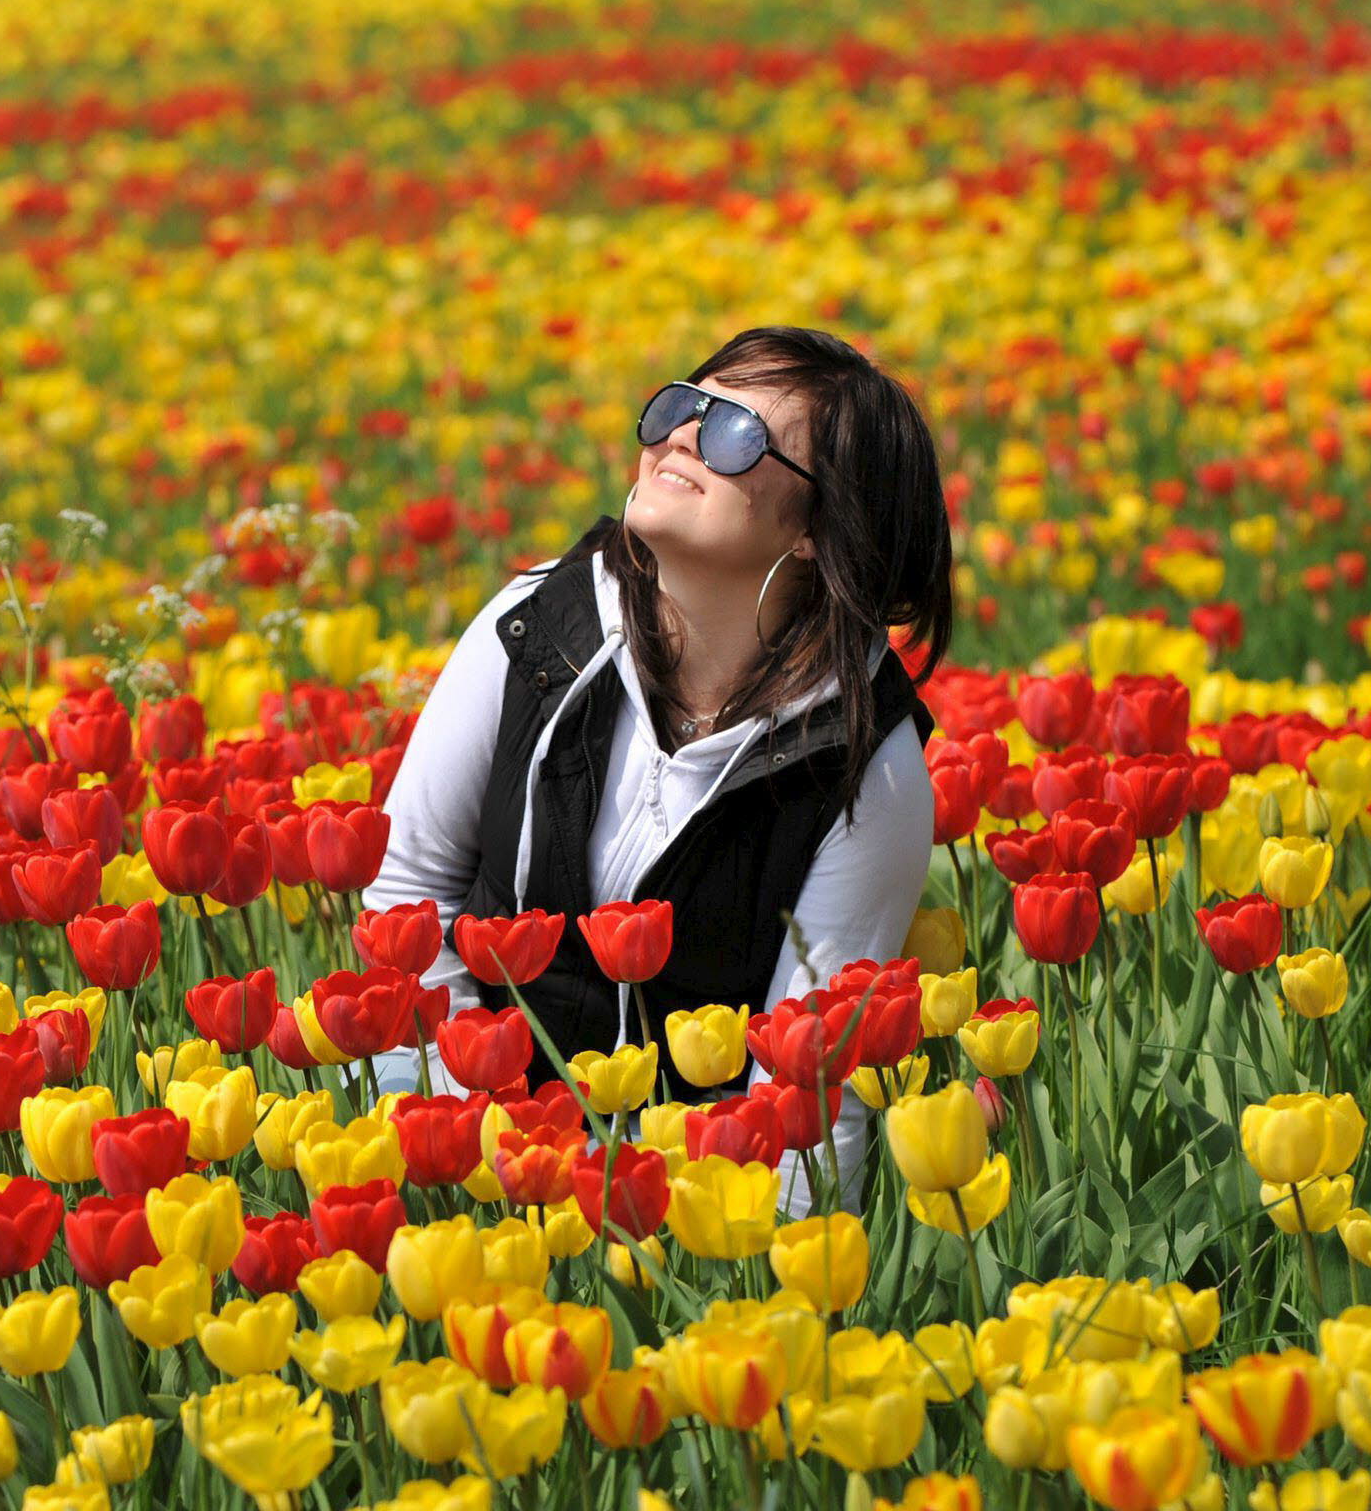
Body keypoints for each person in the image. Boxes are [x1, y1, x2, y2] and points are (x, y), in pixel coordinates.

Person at [360, 324, 951, 1205]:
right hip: (470, 1149)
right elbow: (407, 890)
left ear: (818, 531)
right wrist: (458, 1151)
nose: (679, 435)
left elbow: (811, 1084)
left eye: (735, 433)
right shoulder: (537, 629)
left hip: (685, 1202)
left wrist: (759, 1279)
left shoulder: (867, 766)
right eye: (681, 404)